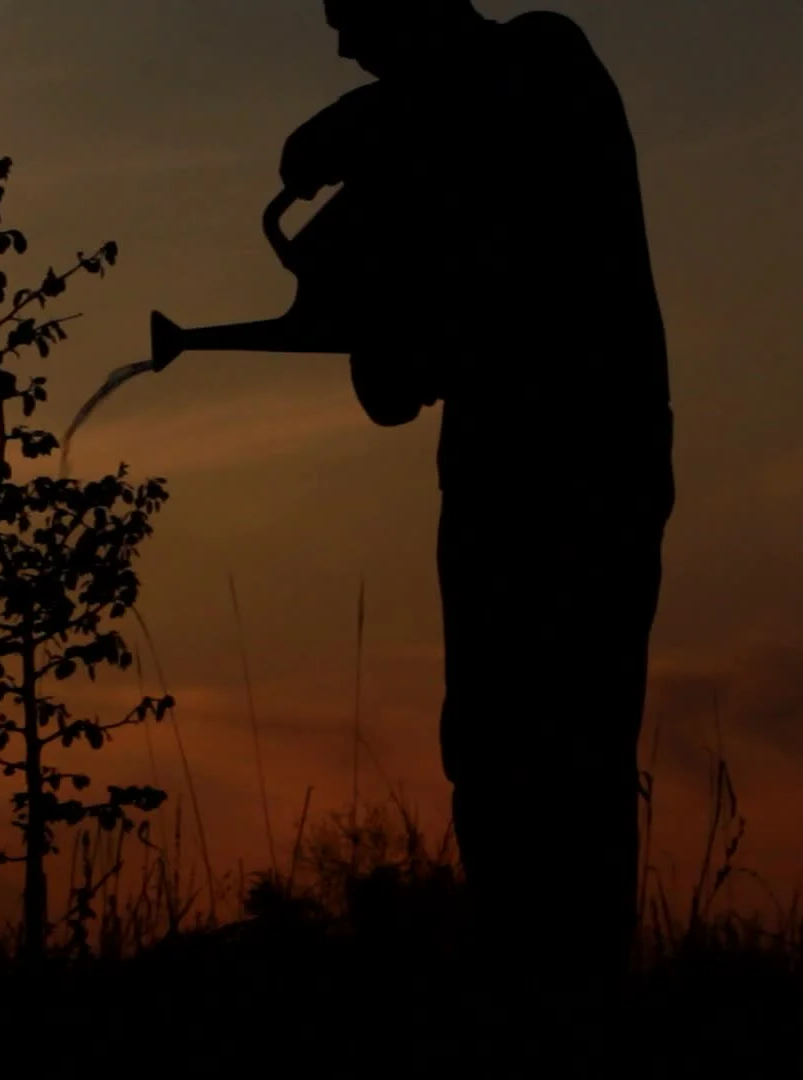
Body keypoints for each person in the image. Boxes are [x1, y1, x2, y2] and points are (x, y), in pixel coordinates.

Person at [281, 0, 676, 1001]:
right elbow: (400, 374)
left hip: (581, 470)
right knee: (496, 753)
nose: (341, 41)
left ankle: (569, 990)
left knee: (566, 754)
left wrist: (342, 129)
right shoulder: (439, 149)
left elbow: (454, 118)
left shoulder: (539, 61)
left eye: (349, 13)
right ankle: (524, 984)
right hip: (501, 470)